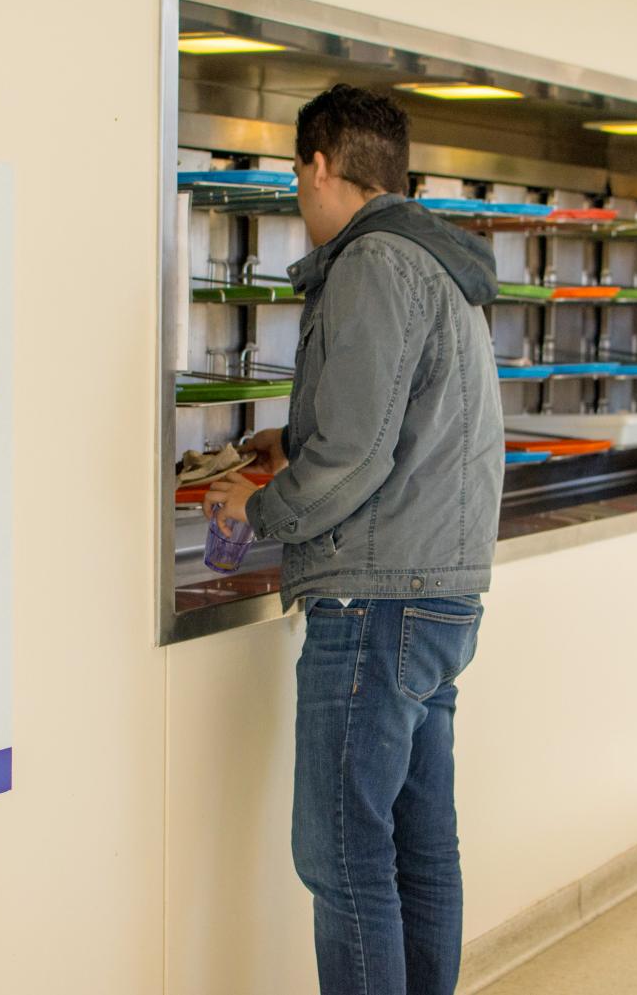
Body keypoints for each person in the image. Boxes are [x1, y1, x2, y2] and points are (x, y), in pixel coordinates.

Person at [203, 84, 505, 994]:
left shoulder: (372, 262)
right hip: (436, 592)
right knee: (419, 847)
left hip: (374, 598)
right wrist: (287, 443)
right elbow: (400, 420)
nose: (298, 188)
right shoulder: (436, 260)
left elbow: (358, 453)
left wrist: (251, 511)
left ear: (319, 164)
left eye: (298, 169)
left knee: (342, 856)